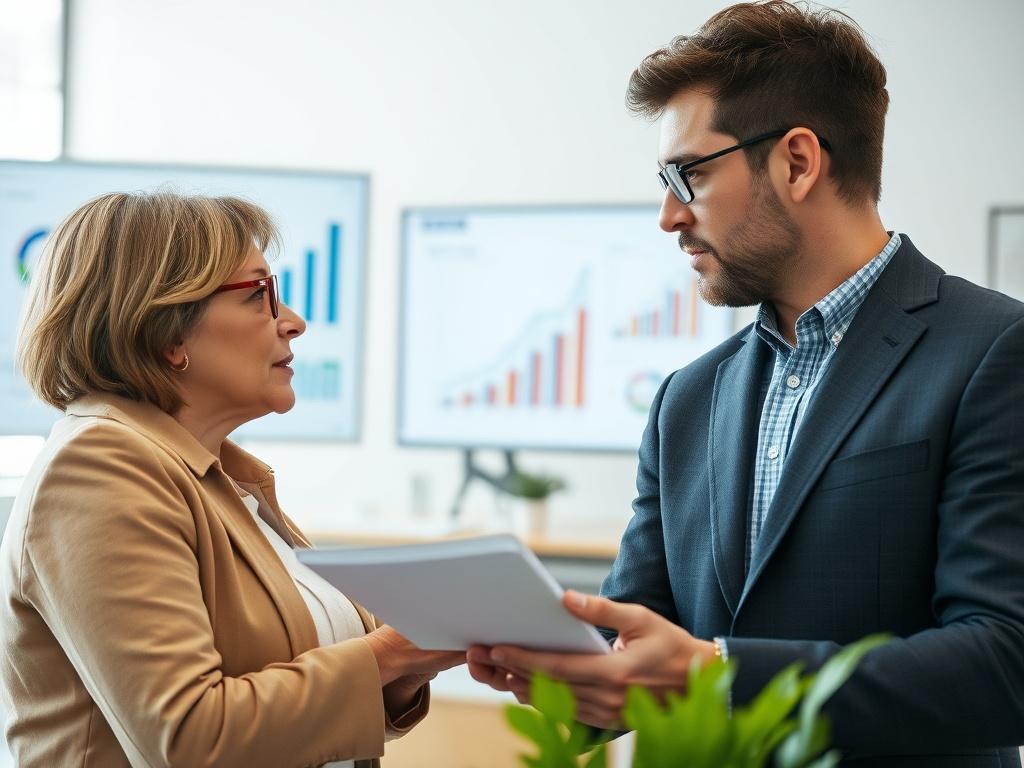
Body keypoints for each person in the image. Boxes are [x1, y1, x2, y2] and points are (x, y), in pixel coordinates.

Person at [468, 2, 1024, 764]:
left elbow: (1005, 661)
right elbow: (638, 634)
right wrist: (565, 667)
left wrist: (721, 673)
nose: (668, 215)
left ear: (797, 162)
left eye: (688, 175)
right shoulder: (686, 401)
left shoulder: (992, 349)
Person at [0, 191, 464, 768]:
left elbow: (310, 676)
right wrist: (389, 655)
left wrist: (413, 660)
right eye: (259, 296)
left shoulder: (217, 476)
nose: (293, 322)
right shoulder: (97, 471)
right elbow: (194, 739)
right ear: (167, 331)